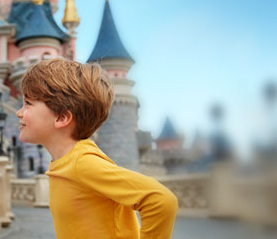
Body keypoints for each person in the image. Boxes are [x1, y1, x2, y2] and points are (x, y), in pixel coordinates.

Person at [17, 58, 178, 239]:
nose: (19, 112)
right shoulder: (65, 163)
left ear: (62, 118)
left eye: (28, 104)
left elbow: (161, 200)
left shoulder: (83, 163)